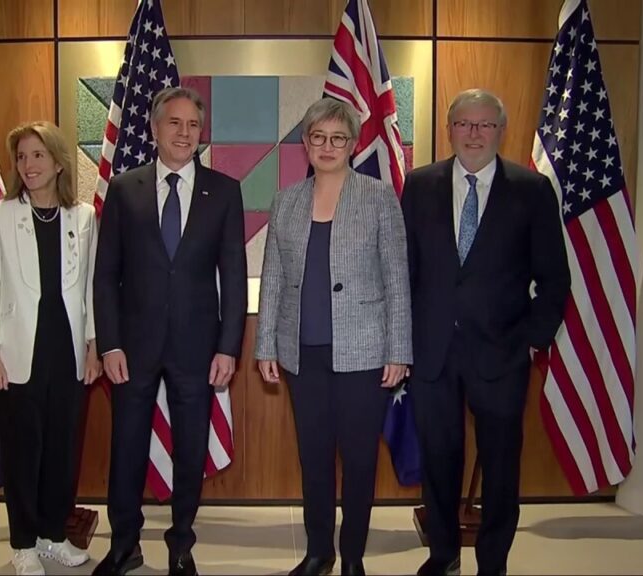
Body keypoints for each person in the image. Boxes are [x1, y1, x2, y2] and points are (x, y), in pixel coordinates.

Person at [401, 89, 571, 576]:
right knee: (439, 464)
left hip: (502, 355)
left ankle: (492, 563)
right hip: (432, 354)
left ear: (501, 131)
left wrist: (532, 339)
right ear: (450, 129)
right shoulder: (419, 185)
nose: (474, 134)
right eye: (464, 124)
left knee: (500, 469)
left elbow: (556, 278)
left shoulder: (532, 190)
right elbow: (405, 271)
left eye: (485, 125)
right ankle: (443, 557)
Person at [92, 87, 248, 576]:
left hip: (198, 348)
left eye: (193, 126)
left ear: (201, 134)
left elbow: (235, 277)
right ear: (154, 129)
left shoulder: (224, 191)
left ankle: (181, 543)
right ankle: (124, 544)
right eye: (174, 123)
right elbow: (105, 274)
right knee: (128, 448)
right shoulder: (123, 188)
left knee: (188, 450)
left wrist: (229, 348)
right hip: (132, 348)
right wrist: (110, 341)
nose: (184, 133)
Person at [255, 98, 412, 576]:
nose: (327, 146)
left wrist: (398, 350)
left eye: (337, 138)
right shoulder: (287, 199)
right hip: (303, 354)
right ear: (305, 143)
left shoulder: (378, 196)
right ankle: (319, 551)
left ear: (353, 143)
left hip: (365, 353)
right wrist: (265, 344)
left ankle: (354, 557)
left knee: (361, 460)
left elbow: (397, 276)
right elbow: (275, 277)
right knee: (314, 458)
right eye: (317, 137)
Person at [0, 120, 103, 576]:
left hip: (66, 352)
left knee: (61, 450)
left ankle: (52, 535)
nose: (29, 165)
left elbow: (91, 287)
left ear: (57, 163)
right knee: (22, 452)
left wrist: (94, 345)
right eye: (22, 157)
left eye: (37, 156)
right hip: (16, 352)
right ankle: (23, 542)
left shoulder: (83, 217)